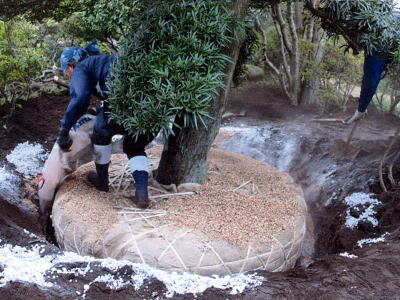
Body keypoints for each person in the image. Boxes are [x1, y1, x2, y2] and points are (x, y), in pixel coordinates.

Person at [57, 41, 154, 208]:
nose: (69, 76)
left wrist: (64, 130)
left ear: (71, 65)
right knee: (135, 147)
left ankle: (102, 182)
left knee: (101, 134)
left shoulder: (81, 67)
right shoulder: (104, 62)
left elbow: (79, 98)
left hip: (123, 103)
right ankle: (141, 194)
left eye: (66, 72)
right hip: (153, 107)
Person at [345, 54, 390, 124]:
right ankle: (361, 110)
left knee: (370, 82)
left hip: (380, 55)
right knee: (367, 81)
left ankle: (361, 110)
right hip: (373, 53)